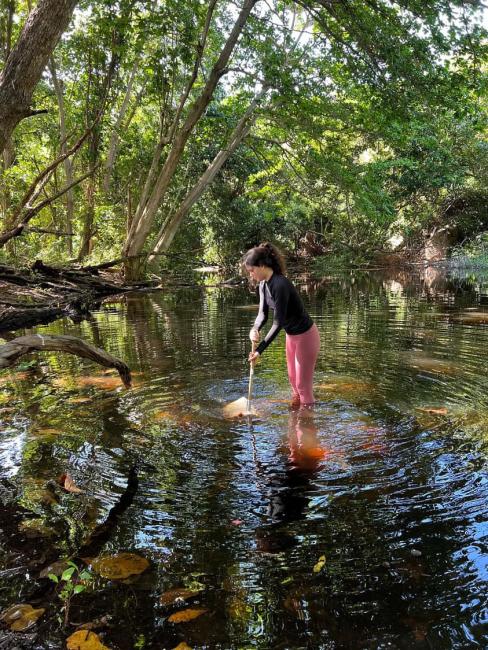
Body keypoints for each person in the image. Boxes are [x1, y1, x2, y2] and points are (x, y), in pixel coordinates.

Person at [243, 242, 320, 408]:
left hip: (306, 337)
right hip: (291, 337)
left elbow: (278, 323)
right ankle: (295, 423)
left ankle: (308, 425)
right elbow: (262, 314)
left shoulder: (280, 284)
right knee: (293, 381)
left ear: (262, 266)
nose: (251, 275)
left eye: (252, 271)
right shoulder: (263, 285)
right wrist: (255, 329)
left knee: (302, 386)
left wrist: (259, 351)